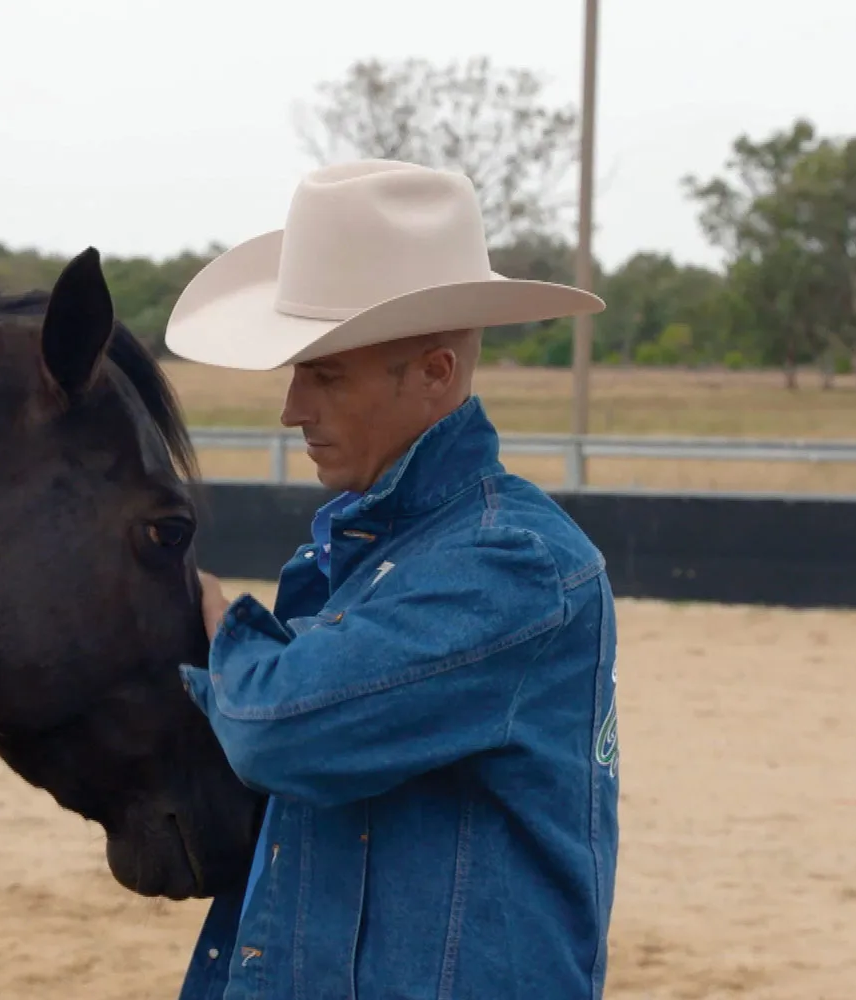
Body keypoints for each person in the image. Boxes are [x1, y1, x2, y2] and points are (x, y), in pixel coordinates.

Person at [165, 158, 620, 1000]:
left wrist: (221, 627)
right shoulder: (369, 549)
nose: (292, 407)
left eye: (327, 374)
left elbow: (281, 730)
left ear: (437, 373)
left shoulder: (512, 566)